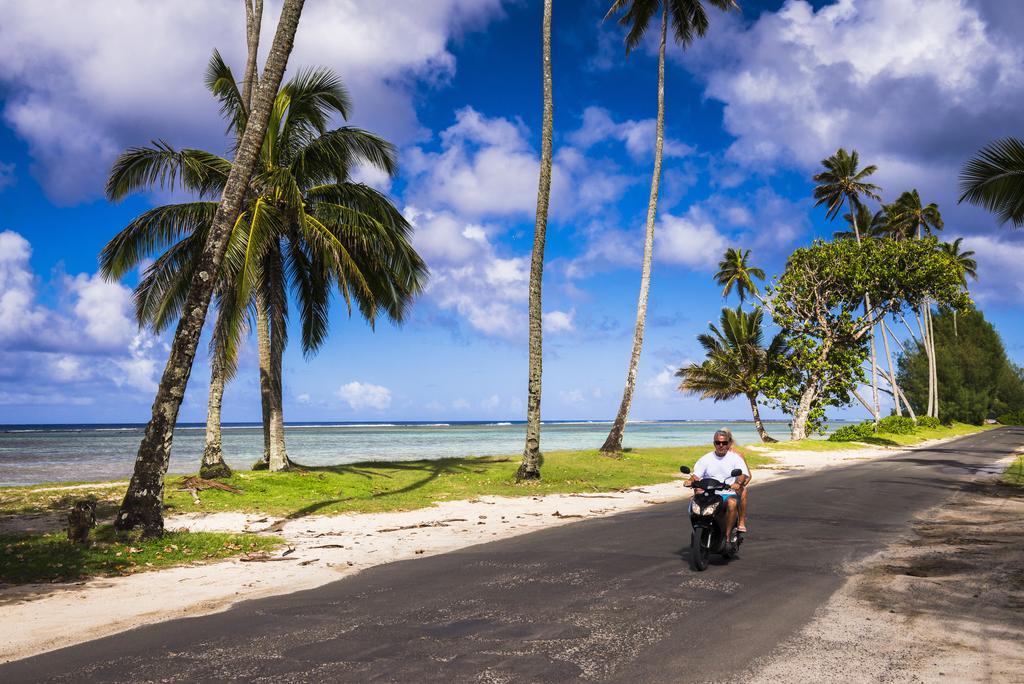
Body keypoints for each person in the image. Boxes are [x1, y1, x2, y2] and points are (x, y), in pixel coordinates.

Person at [687, 428, 750, 541]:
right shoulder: (706, 458)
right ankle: (698, 530)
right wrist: (690, 481)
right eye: (718, 443)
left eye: (724, 443)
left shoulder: (736, 458)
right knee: (693, 503)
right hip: (709, 493)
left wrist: (738, 483)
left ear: (729, 443)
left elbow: (743, 474)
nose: (721, 445)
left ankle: (727, 537)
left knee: (732, 503)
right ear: (714, 443)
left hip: (727, 493)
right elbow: (696, 475)